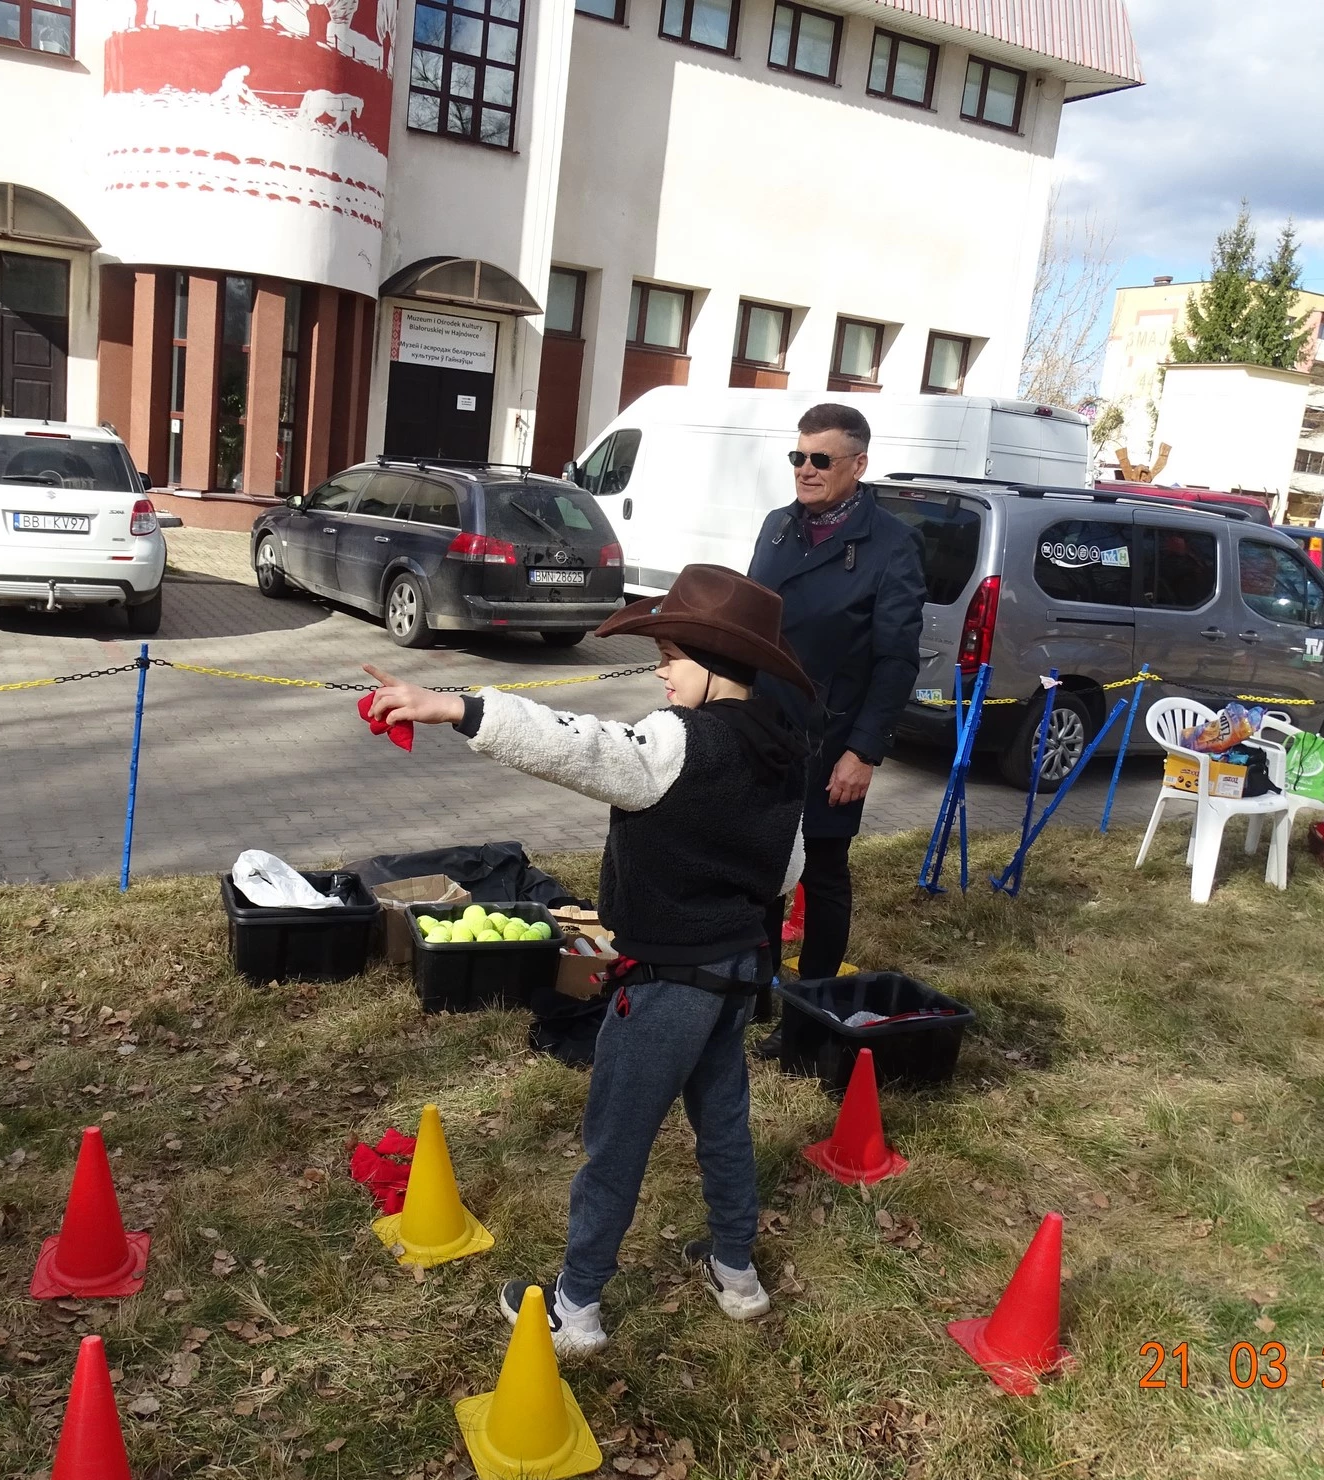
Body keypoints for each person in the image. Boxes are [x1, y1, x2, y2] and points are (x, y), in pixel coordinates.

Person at [361, 564, 811, 1356]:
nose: (662, 672)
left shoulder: (678, 740)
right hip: (738, 972)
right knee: (724, 1123)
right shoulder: (780, 744)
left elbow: (579, 747)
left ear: (716, 663)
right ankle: (737, 1271)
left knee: (616, 1141)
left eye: (672, 657)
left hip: (669, 984)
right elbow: (788, 870)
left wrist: (457, 707)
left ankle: (577, 1306)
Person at [748, 402, 925, 992]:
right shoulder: (777, 526)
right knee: (762, 863)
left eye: (821, 459)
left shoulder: (892, 544)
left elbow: (897, 660)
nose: (806, 469)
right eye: (798, 457)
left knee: (821, 870)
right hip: (763, 728)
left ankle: (816, 995)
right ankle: (756, 987)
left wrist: (864, 751)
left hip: (831, 740)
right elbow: (751, 620)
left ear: (858, 464)